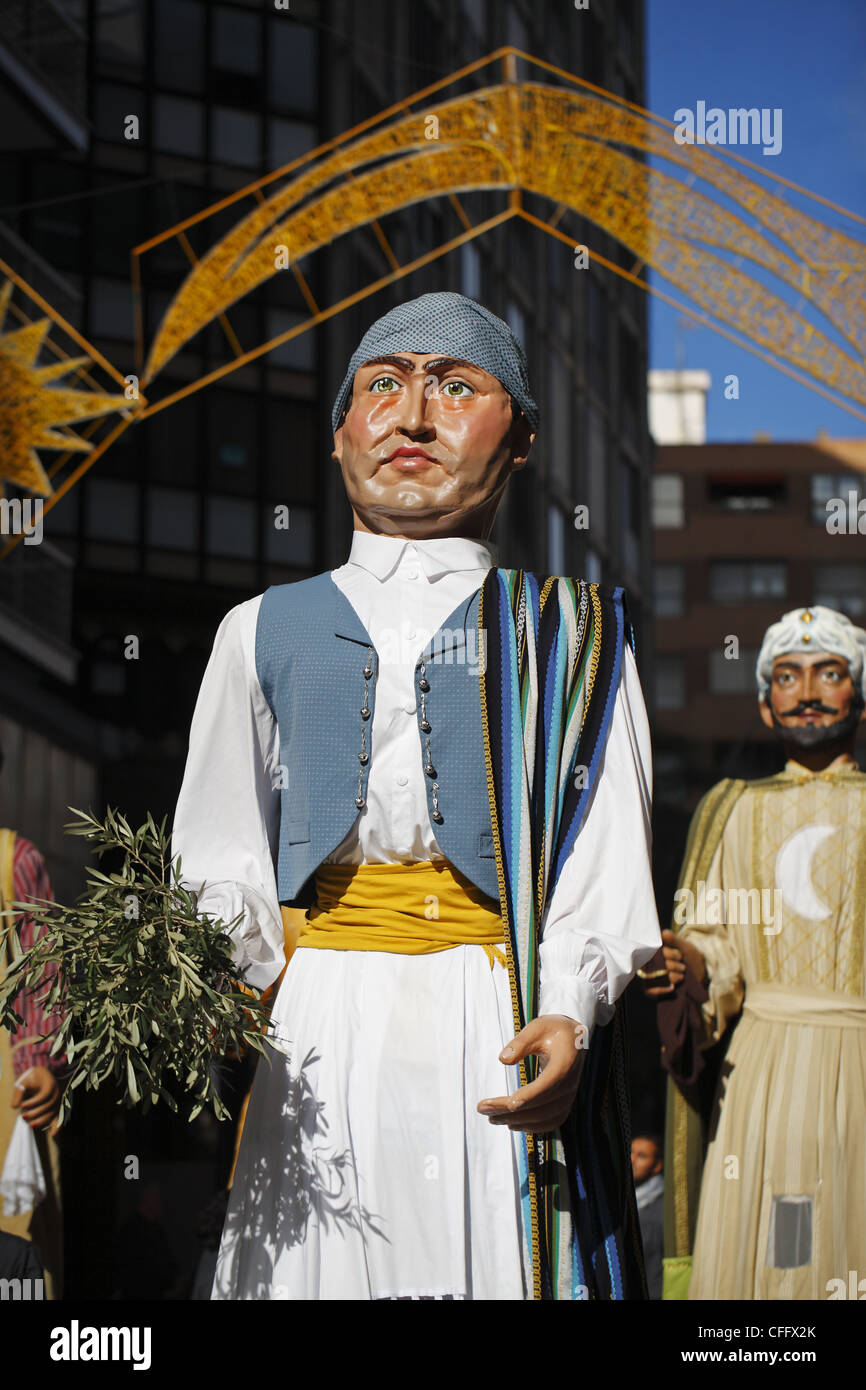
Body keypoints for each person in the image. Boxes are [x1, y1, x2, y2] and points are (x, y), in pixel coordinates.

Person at [172, 291, 662, 1300]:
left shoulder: (575, 637)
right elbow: (216, 854)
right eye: (383, 386)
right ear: (343, 428)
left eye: (455, 385)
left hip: (497, 1015)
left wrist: (569, 1007)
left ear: (518, 437)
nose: (413, 413)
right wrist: (220, 978)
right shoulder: (254, 628)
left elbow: (602, 854)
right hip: (313, 1019)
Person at [644, 605, 866, 1300]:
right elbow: (717, 940)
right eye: (787, 677)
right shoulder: (730, 807)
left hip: (857, 1055)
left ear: (857, 693)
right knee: (779, 1246)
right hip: (761, 1066)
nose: (806, 693)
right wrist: (688, 963)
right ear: (766, 706)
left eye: (829, 674)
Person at [0, 739, 65, 1299]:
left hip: (9, 1098)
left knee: (17, 1261)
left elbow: (39, 978)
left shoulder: (15, 861)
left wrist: (38, 1062)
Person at [631, 1133, 664, 1301]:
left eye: (642, 1156)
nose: (633, 1160)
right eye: (631, 1152)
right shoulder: (621, 1200)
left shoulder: (663, 1209)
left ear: (657, 1165)